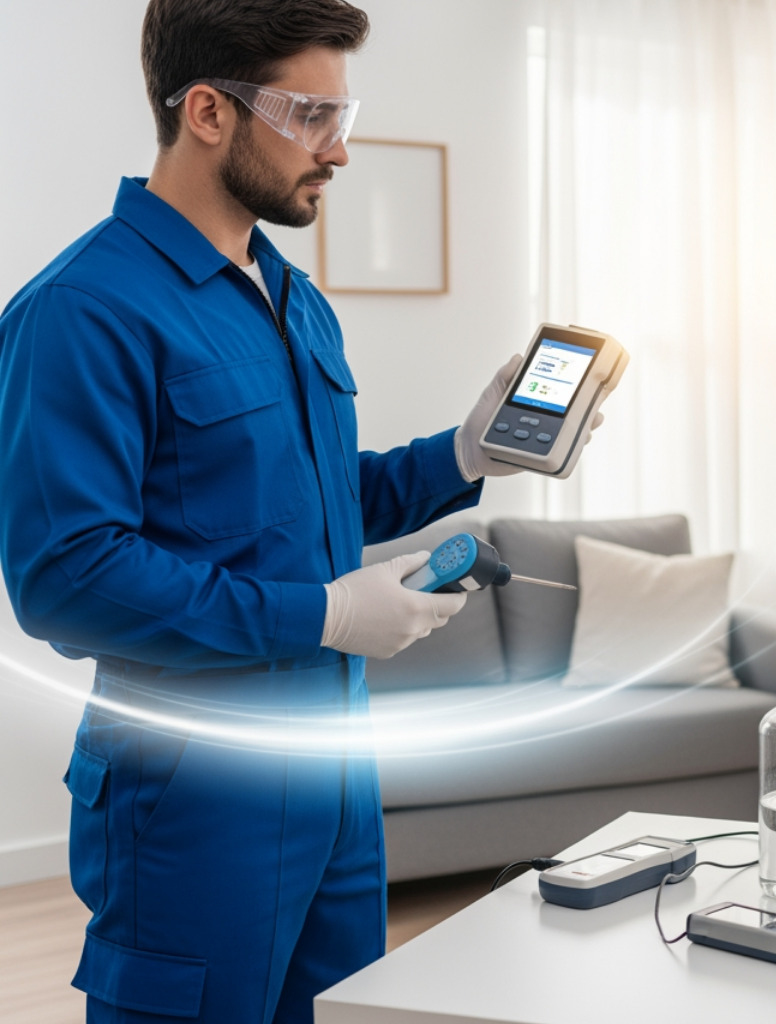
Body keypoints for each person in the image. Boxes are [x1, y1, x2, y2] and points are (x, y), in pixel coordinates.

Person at [0, 2, 579, 1020]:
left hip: (336, 772)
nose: (338, 150)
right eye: (312, 116)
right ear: (209, 112)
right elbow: (68, 576)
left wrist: (463, 453)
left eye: (342, 115)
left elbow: (313, 500)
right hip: (195, 794)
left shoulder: (291, 296)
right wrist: (322, 614)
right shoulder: (81, 311)